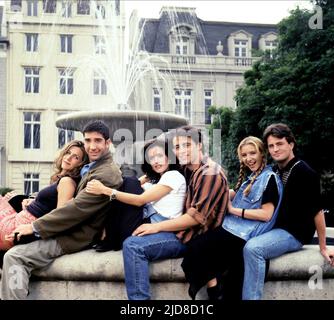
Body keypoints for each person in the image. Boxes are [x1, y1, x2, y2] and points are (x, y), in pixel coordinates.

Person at [0, 120, 123, 300]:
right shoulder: (94, 167)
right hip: (67, 229)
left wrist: (34, 227)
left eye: (98, 141)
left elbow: (75, 209)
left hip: (74, 236)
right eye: (88, 140)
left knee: (15, 257)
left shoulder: (106, 173)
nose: (92, 146)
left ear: (108, 143)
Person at [117, 126, 229, 300]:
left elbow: (194, 219)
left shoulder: (209, 173)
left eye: (187, 145)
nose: (181, 151)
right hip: (181, 232)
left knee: (133, 246)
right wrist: (146, 176)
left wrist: (156, 227)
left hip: (193, 237)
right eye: (177, 147)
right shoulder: (188, 169)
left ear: (199, 146)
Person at [181, 136, 283, 300]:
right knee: (196, 245)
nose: (248, 159)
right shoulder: (250, 178)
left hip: (243, 235)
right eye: (244, 155)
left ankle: (214, 293)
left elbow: (266, 214)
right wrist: (213, 192)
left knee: (196, 248)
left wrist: (233, 210)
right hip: (233, 229)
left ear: (262, 154)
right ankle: (215, 289)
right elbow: (230, 193)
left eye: (252, 153)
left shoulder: (268, 178)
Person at [242, 123, 334, 300]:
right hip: (276, 228)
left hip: (294, 233)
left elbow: (318, 211)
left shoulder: (304, 172)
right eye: (271, 146)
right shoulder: (277, 170)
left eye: (280, 144)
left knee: (253, 249)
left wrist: (323, 247)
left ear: (291, 144)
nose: (275, 149)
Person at [86, 136, 186, 245]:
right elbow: (132, 189)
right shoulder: (157, 181)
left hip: (157, 226)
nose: (156, 161)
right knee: (126, 184)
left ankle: (108, 235)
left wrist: (105, 190)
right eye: (151, 158)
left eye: (160, 156)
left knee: (128, 182)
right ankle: (108, 234)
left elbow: (139, 200)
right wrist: (147, 177)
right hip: (143, 223)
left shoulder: (173, 175)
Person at [0, 140, 88, 250]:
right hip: (21, 220)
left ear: (81, 165)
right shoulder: (61, 179)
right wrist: (33, 201)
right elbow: (50, 205)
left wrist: (33, 231)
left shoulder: (67, 182)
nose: (68, 158)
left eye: (76, 157)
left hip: (21, 226)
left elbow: (61, 216)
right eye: (68, 152)